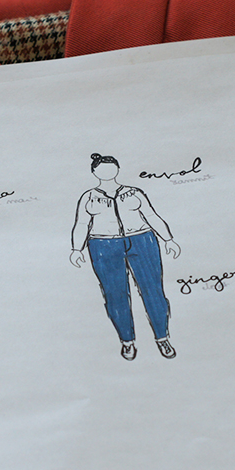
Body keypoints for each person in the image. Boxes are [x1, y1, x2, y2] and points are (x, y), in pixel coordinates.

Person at [70, 153, 180, 360]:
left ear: (118, 169)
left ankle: (162, 337)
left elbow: (151, 215)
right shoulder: (88, 197)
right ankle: (127, 341)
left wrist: (168, 238)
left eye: (111, 167)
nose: (107, 171)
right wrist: (77, 249)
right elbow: (82, 224)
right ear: (94, 172)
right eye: (102, 168)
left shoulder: (133, 192)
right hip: (103, 244)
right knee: (114, 294)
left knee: (153, 290)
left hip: (142, 240)